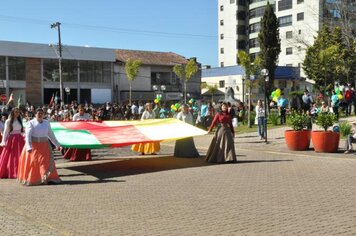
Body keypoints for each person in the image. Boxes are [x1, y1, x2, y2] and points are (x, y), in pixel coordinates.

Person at [17, 108, 62, 185]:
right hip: (34, 146)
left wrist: (57, 144)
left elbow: (51, 134)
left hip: (44, 145)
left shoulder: (46, 123)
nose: (40, 114)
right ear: (35, 114)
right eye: (38, 113)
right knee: (34, 163)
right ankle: (37, 179)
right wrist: (29, 147)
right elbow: (28, 136)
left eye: (42, 113)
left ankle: (47, 178)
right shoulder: (31, 123)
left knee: (45, 162)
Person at [0, 108, 25, 178]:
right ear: (13, 112)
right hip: (12, 139)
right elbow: (5, 131)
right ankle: (12, 171)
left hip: (20, 139)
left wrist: (24, 135)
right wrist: (3, 141)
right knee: (12, 156)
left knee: (20, 155)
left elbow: (21, 131)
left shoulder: (20, 120)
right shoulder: (8, 121)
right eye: (16, 112)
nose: (17, 113)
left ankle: (21, 171)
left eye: (18, 112)